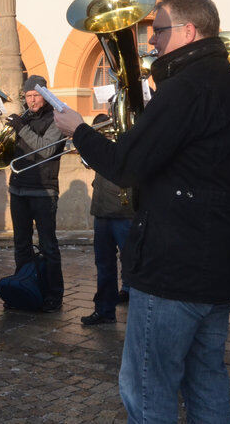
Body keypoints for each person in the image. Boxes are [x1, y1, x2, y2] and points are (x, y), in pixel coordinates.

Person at [53, 0, 230, 422]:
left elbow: (127, 164)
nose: (151, 43)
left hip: (175, 265)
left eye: (159, 31)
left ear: (188, 31)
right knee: (206, 381)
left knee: (148, 388)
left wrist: (79, 131)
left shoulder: (187, 87)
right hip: (218, 264)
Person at [4, 75, 65, 312]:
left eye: (36, 95)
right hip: (18, 187)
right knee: (21, 244)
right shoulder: (25, 117)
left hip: (43, 191)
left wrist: (21, 128)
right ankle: (23, 287)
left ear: (45, 95)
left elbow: (46, 149)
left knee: (48, 245)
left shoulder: (56, 117)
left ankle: (54, 294)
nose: (32, 101)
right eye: (28, 96)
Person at [80, 114, 133, 326]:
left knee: (130, 263)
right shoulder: (103, 140)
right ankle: (104, 309)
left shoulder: (126, 136)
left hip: (123, 210)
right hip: (101, 209)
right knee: (103, 264)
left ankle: (136, 309)